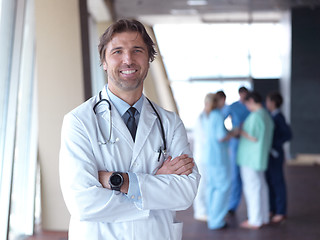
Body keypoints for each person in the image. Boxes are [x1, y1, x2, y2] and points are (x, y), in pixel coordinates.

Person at [59, 19, 200, 240]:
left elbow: (185, 193)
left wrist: (119, 181)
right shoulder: (79, 121)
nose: (128, 60)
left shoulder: (170, 122)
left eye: (137, 50)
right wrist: (155, 186)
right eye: (117, 51)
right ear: (104, 61)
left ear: (149, 58)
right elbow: (83, 203)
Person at [237, 91, 274, 229]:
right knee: (261, 187)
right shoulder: (265, 115)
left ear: (251, 101)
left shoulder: (255, 116)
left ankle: (255, 220)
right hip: (260, 157)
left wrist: (240, 131)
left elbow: (253, 137)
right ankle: (263, 217)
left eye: (246, 103)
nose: (246, 106)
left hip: (250, 158)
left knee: (252, 188)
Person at [204, 93, 232, 230]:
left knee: (213, 187)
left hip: (210, 157)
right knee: (222, 187)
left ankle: (212, 216)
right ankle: (217, 221)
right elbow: (221, 137)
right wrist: (233, 133)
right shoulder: (218, 115)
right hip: (219, 157)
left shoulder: (207, 116)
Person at [265, 91, 292, 223]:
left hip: (275, 155)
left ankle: (281, 211)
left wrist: (274, 145)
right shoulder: (271, 116)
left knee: (277, 182)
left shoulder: (278, 117)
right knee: (270, 181)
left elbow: (288, 135)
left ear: (273, 103)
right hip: (270, 155)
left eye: (268, 101)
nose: (266, 103)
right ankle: (273, 209)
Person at [225, 87, 250, 214]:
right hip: (236, 142)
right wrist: (229, 133)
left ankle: (252, 207)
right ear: (239, 94)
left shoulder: (251, 106)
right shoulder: (233, 107)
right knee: (235, 175)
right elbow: (221, 118)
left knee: (250, 175)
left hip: (249, 143)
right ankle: (232, 205)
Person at [192, 93, 215, 221]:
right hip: (202, 157)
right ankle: (200, 211)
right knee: (202, 184)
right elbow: (205, 138)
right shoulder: (201, 118)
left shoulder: (208, 117)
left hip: (209, 156)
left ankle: (205, 209)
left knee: (207, 184)